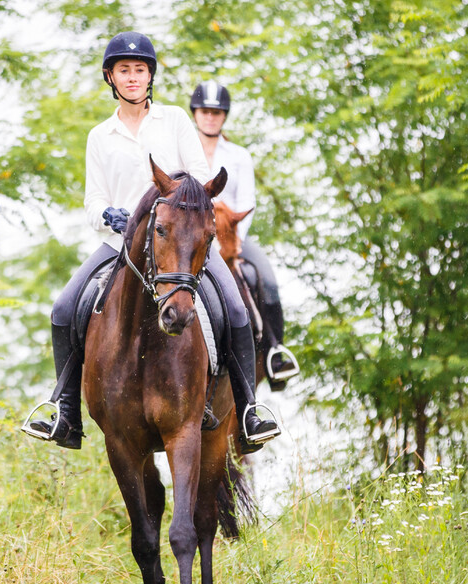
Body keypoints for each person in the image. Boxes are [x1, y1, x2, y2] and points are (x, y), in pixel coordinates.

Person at [21, 32, 280, 453]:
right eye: (124, 70)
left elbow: (199, 177)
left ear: (150, 76)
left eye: (139, 70)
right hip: (119, 245)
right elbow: (93, 200)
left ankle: (250, 410)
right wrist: (107, 215)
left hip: (178, 243)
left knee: (235, 308)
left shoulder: (175, 120)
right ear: (111, 77)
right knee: (64, 308)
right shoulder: (99, 136)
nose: (132, 77)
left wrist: (176, 207)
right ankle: (65, 412)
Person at [189, 81, 299, 388]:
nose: (210, 117)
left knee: (267, 278)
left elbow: (247, 202)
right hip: (193, 236)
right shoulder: (184, 151)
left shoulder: (239, 155)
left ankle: (275, 352)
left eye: (216, 112)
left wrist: (232, 241)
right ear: (195, 113)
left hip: (231, 236)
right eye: (205, 111)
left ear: (224, 116)